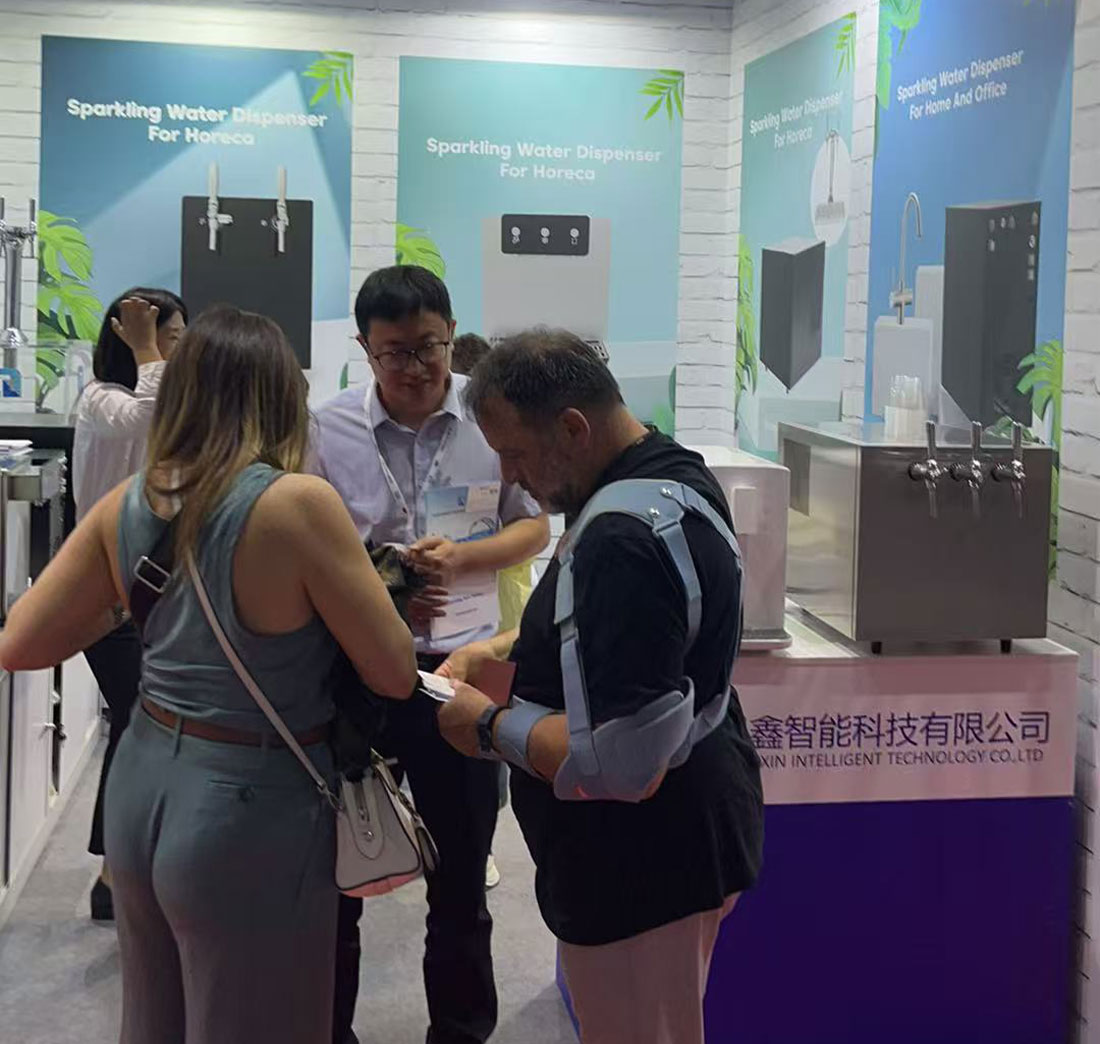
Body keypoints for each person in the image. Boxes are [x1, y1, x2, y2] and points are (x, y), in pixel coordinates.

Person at [0, 305, 418, 1044]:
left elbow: (22, 642)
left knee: (152, 1018)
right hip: (253, 804)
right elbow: (393, 673)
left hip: (141, 786)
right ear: (282, 396)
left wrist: (139, 607)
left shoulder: (130, 500)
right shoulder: (297, 503)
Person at [436, 328, 764, 1044]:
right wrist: (501, 649)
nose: (511, 477)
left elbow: (623, 762)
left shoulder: (620, 542)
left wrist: (487, 726)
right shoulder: (668, 470)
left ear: (573, 428)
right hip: (687, 833)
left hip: (643, 867)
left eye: (516, 454)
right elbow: (620, 636)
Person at [313, 266, 549, 1044]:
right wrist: (382, 578)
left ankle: (460, 1030)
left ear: (451, 332)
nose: (415, 369)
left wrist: (467, 558)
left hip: (465, 670)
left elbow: (533, 526)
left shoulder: (492, 415)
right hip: (357, 673)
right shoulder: (328, 429)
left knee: (461, 878)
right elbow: (305, 544)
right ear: (364, 349)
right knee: (343, 874)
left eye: (429, 348)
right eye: (394, 353)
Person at [72, 287, 188, 922]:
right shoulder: (100, 397)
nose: (175, 354)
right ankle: (116, 871)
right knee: (137, 716)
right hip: (103, 593)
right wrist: (145, 348)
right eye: (169, 339)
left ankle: (118, 871)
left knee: (139, 720)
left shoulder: (164, 403)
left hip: (151, 589)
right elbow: (143, 416)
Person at [448, 330, 531, 891]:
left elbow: (532, 528)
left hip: (496, 625)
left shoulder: (498, 456)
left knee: (485, 735)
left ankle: (481, 845)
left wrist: (464, 555)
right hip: (448, 626)